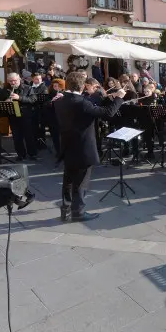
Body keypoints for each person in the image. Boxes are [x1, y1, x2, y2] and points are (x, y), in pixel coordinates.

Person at [54, 72, 124, 222]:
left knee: (68, 180)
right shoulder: (81, 102)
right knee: (81, 182)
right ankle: (78, 212)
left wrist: (104, 98)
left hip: (67, 145)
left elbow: (83, 104)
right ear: (82, 86)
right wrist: (119, 97)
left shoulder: (60, 100)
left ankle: (65, 210)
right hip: (82, 148)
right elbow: (108, 113)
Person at [0, 72, 38, 161]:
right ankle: (21, 154)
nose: (13, 83)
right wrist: (6, 101)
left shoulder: (28, 88)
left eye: (15, 80)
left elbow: (33, 99)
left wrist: (19, 98)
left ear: (19, 79)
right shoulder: (6, 89)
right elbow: (0, 100)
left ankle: (32, 154)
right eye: (10, 81)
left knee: (29, 135)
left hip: (25, 115)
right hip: (13, 115)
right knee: (17, 137)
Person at [28, 72, 48, 149]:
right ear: (32, 79)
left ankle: (42, 143)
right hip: (31, 110)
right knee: (33, 128)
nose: (39, 80)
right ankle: (34, 142)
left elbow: (44, 98)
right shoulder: (29, 86)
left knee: (41, 127)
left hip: (40, 110)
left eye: (40, 78)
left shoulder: (44, 87)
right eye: (36, 79)